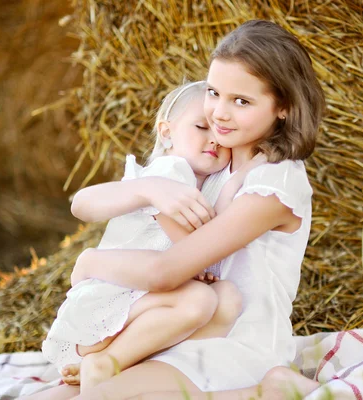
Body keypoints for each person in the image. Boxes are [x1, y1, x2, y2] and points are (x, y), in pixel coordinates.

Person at [24, 19, 326, 400]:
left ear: (283, 107)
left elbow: (167, 272)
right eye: (214, 92)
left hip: (234, 344)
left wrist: (89, 263)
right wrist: (150, 187)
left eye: (242, 101)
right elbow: (85, 203)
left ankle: (264, 389)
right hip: (180, 329)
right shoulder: (215, 161)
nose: (219, 113)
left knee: (96, 396)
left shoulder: (274, 184)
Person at [41, 81, 263, 392]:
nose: (213, 138)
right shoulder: (169, 173)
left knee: (224, 297)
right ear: (166, 131)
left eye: (221, 133)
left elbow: (216, 231)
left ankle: (118, 369)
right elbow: (197, 246)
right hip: (106, 309)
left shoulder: (201, 184)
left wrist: (240, 174)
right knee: (200, 299)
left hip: (131, 313)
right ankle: (111, 363)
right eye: (201, 126)